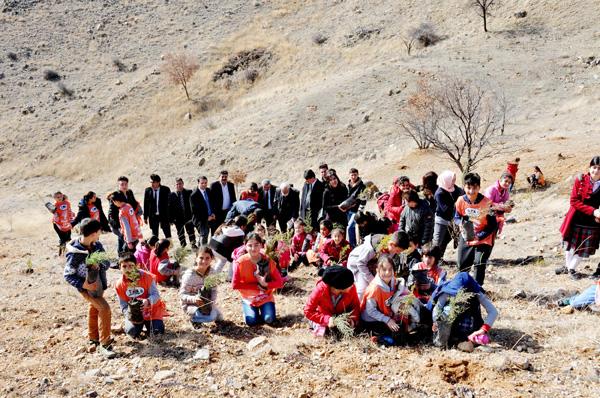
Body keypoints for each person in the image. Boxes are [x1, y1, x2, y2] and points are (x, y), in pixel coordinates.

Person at [63, 218, 115, 358]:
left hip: (99, 285)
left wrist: (99, 264)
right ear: (93, 233)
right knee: (104, 309)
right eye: (98, 232)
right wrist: (83, 285)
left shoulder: (97, 245)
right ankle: (105, 344)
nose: (100, 234)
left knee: (95, 308)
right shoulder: (75, 253)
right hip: (87, 289)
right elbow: (68, 275)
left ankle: (93, 338)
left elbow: (107, 262)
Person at [430, 272, 498, 350]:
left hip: (470, 325)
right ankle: (449, 341)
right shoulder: (448, 291)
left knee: (480, 338)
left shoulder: (476, 293)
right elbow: (438, 308)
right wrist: (435, 321)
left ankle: (463, 341)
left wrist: (482, 330)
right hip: (450, 325)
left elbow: (493, 312)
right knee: (448, 310)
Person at [557, 156, 600, 279]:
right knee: (570, 245)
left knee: (583, 247)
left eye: (599, 168)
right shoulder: (580, 180)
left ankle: (571, 268)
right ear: (589, 168)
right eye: (594, 167)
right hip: (576, 218)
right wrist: (593, 211)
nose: (596, 171)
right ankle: (568, 267)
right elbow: (574, 201)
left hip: (592, 223)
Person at [231, 233, 285, 326]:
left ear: (262, 245)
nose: (253, 248)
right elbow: (235, 285)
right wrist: (257, 286)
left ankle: (263, 312)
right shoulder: (240, 262)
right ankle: (249, 311)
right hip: (249, 298)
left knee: (269, 319)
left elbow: (280, 282)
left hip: (265, 296)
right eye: (250, 245)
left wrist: (265, 285)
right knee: (251, 322)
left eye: (256, 245)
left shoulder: (267, 260)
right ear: (245, 246)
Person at [454, 172, 497, 286]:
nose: (471, 191)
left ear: (479, 187)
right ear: (464, 187)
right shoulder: (460, 201)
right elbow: (457, 217)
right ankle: (462, 289)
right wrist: (460, 224)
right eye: (468, 188)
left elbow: (493, 225)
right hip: (467, 235)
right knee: (462, 264)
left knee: (479, 263)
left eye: (474, 188)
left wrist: (480, 235)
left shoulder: (487, 203)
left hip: (484, 238)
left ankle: (477, 290)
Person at [347, 231, 411, 300]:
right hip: (358, 265)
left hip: (372, 266)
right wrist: (371, 280)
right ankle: (361, 307)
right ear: (392, 244)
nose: (397, 253)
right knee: (363, 289)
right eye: (397, 251)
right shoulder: (371, 248)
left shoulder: (391, 248)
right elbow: (360, 263)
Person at [115, 253, 167, 338]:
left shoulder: (147, 277)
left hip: (151, 310)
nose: (128, 269)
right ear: (119, 268)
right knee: (132, 332)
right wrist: (130, 314)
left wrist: (148, 301)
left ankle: (151, 324)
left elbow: (155, 295)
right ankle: (137, 326)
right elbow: (123, 306)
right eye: (124, 266)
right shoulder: (119, 284)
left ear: (137, 266)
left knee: (157, 332)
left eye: (131, 266)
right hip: (135, 315)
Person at [360, 256, 407, 346]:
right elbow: (371, 311)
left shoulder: (393, 281)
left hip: (385, 315)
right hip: (371, 320)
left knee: (402, 330)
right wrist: (387, 320)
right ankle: (377, 338)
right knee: (394, 340)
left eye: (390, 269)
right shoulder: (375, 288)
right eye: (384, 269)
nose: (387, 272)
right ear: (377, 270)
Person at [304, 265, 360, 337]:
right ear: (337, 288)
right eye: (349, 286)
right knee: (324, 332)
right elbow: (308, 311)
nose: (352, 286)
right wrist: (327, 320)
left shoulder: (351, 288)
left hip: (340, 316)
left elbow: (355, 305)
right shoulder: (320, 290)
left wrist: (353, 320)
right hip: (323, 316)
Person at [180, 247, 224, 326]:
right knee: (210, 317)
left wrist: (211, 302)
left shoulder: (212, 273)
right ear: (196, 258)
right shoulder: (189, 275)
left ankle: (205, 315)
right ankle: (193, 318)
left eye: (207, 258)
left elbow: (214, 290)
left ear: (212, 259)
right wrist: (194, 299)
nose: (204, 261)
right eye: (201, 258)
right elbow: (182, 295)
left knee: (219, 317)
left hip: (206, 304)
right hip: (191, 304)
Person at [433, 170, 465, 258]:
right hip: (442, 220)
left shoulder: (454, 188)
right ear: (446, 180)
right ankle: (433, 259)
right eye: (452, 180)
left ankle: (440, 258)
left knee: (446, 240)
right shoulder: (439, 193)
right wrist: (457, 205)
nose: (454, 182)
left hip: (452, 220)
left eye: (454, 179)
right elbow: (445, 209)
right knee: (438, 241)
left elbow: (463, 195)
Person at [108, 176, 142, 254]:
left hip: (130, 221)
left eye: (125, 184)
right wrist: (120, 227)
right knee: (122, 239)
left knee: (132, 240)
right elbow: (112, 214)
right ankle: (121, 257)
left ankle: (131, 257)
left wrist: (136, 213)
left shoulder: (129, 192)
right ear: (118, 185)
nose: (124, 186)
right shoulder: (114, 196)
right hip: (119, 222)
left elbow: (133, 204)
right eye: (122, 184)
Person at [209, 216, 248, 280]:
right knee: (235, 258)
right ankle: (230, 277)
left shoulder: (227, 225)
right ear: (243, 226)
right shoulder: (240, 232)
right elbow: (238, 249)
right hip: (219, 248)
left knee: (223, 259)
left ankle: (213, 274)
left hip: (211, 245)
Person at [169, 178, 196, 249]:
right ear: (175, 185)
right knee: (180, 233)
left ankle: (193, 244)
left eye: (180, 184)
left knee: (191, 231)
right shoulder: (172, 195)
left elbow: (193, 204)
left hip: (188, 216)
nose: (179, 185)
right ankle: (183, 246)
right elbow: (170, 208)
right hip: (178, 218)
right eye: (177, 184)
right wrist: (171, 219)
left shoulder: (189, 192)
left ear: (183, 184)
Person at [143, 174, 171, 239]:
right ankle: (156, 248)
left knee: (167, 233)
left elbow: (170, 204)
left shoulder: (166, 189)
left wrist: (170, 216)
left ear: (158, 182)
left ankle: (170, 246)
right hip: (153, 216)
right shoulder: (148, 190)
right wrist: (145, 217)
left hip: (164, 215)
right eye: (151, 182)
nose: (151, 184)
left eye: (153, 182)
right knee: (154, 235)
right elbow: (146, 204)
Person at [190, 176, 216, 245]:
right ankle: (202, 251)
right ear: (198, 183)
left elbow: (212, 203)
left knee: (214, 235)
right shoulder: (194, 195)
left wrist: (213, 213)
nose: (204, 184)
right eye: (202, 183)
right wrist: (207, 218)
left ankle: (210, 250)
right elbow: (195, 211)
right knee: (204, 236)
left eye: (205, 183)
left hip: (212, 217)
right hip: (201, 220)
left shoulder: (208, 190)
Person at [345, 168, 367, 247]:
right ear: (349, 176)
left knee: (350, 228)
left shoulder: (362, 187)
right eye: (352, 175)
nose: (353, 177)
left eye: (355, 175)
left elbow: (363, 201)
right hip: (348, 211)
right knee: (353, 228)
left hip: (356, 212)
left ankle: (353, 246)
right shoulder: (347, 186)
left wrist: (359, 212)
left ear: (358, 175)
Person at [50, 191, 75, 256]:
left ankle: (70, 253)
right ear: (54, 198)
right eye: (57, 197)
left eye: (60, 196)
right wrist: (53, 211)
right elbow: (55, 215)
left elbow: (69, 211)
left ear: (62, 196)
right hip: (57, 224)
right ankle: (61, 255)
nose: (59, 198)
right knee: (63, 240)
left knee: (69, 239)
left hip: (66, 224)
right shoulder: (54, 206)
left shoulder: (67, 203)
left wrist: (72, 217)